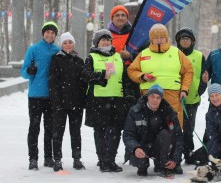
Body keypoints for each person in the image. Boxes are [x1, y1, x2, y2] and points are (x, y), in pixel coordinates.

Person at [127, 23, 193, 129]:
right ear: (151, 39)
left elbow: (188, 71)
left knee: (172, 127)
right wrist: (143, 76)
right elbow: (131, 70)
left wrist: (184, 90)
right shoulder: (143, 54)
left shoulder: (176, 52)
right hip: (148, 95)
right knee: (149, 127)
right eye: (156, 37)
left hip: (172, 94)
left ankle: (172, 145)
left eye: (162, 37)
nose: (159, 40)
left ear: (166, 38)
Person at [82, 29, 130, 172]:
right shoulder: (91, 57)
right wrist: (101, 75)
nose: (106, 42)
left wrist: (128, 94)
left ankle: (111, 159)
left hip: (116, 98)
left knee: (115, 131)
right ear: (97, 42)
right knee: (100, 131)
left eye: (108, 39)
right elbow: (85, 74)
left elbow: (125, 78)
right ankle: (102, 160)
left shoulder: (118, 57)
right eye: (103, 39)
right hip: (98, 100)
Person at [21, 21, 60, 170]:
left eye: (52, 32)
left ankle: (48, 158)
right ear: (43, 33)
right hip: (36, 95)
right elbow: (23, 72)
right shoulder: (33, 49)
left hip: (52, 96)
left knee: (50, 128)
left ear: (55, 35)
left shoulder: (57, 50)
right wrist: (29, 71)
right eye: (47, 32)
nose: (50, 35)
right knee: (34, 127)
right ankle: (33, 158)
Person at [123, 84, 184, 177]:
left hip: (159, 147)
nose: (155, 100)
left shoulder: (169, 112)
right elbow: (128, 135)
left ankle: (163, 164)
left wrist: (175, 159)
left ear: (161, 99)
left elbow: (178, 136)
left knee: (165, 134)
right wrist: (135, 148)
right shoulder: (135, 111)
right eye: (152, 96)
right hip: (142, 147)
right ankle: (142, 166)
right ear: (148, 96)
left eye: (158, 97)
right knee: (141, 164)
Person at [48, 32, 86, 172]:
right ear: (61, 45)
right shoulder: (56, 59)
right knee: (58, 132)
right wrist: (56, 102)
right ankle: (57, 159)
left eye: (70, 42)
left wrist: (82, 101)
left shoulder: (79, 61)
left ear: (74, 44)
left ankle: (77, 158)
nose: (68, 44)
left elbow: (83, 84)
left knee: (76, 132)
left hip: (76, 104)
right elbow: (53, 83)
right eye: (65, 42)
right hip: (60, 104)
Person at [174, 27, 207, 164]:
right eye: (182, 38)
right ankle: (174, 155)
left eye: (187, 38)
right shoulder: (173, 54)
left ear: (192, 41)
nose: (185, 41)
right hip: (175, 98)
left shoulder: (199, 56)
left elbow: (204, 77)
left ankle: (188, 153)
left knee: (188, 131)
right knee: (175, 130)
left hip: (192, 100)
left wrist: (199, 91)